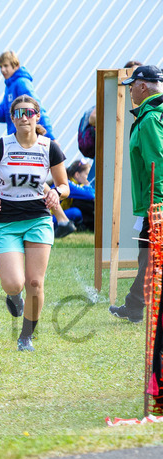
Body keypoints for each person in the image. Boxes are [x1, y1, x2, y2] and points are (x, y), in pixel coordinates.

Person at [0, 95, 68, 352]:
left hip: (38, 219)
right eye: (18, 113)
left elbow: (64, 185)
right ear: (12, 118)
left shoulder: (50, 147)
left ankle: (26, 335)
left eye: (28, 113)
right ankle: (13, 296)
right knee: (14, 284)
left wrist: (57, 193)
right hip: (5, 221)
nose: (23, 118)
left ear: (37, 116)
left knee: (35, 283)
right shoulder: (0, 146)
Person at [110, 65, 163, 325]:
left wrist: (157, 206)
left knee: (151, 254)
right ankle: (134, 306)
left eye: (133, 84)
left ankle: (134, 306)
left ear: (144, 85)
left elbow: (158, 163)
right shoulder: (149, 115)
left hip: (157, 202)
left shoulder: (151, 118)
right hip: (153, 201)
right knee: (148, 254)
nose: (129, 88)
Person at [0, 51, 55, 139]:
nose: (2, 70)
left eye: (5, 66)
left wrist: (49, 136)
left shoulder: (21, 83)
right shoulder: (9, 87)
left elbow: (37, 108)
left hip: (26, 137)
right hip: (16, 138)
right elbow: (6, 115)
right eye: (0, 67)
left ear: (15, 66)